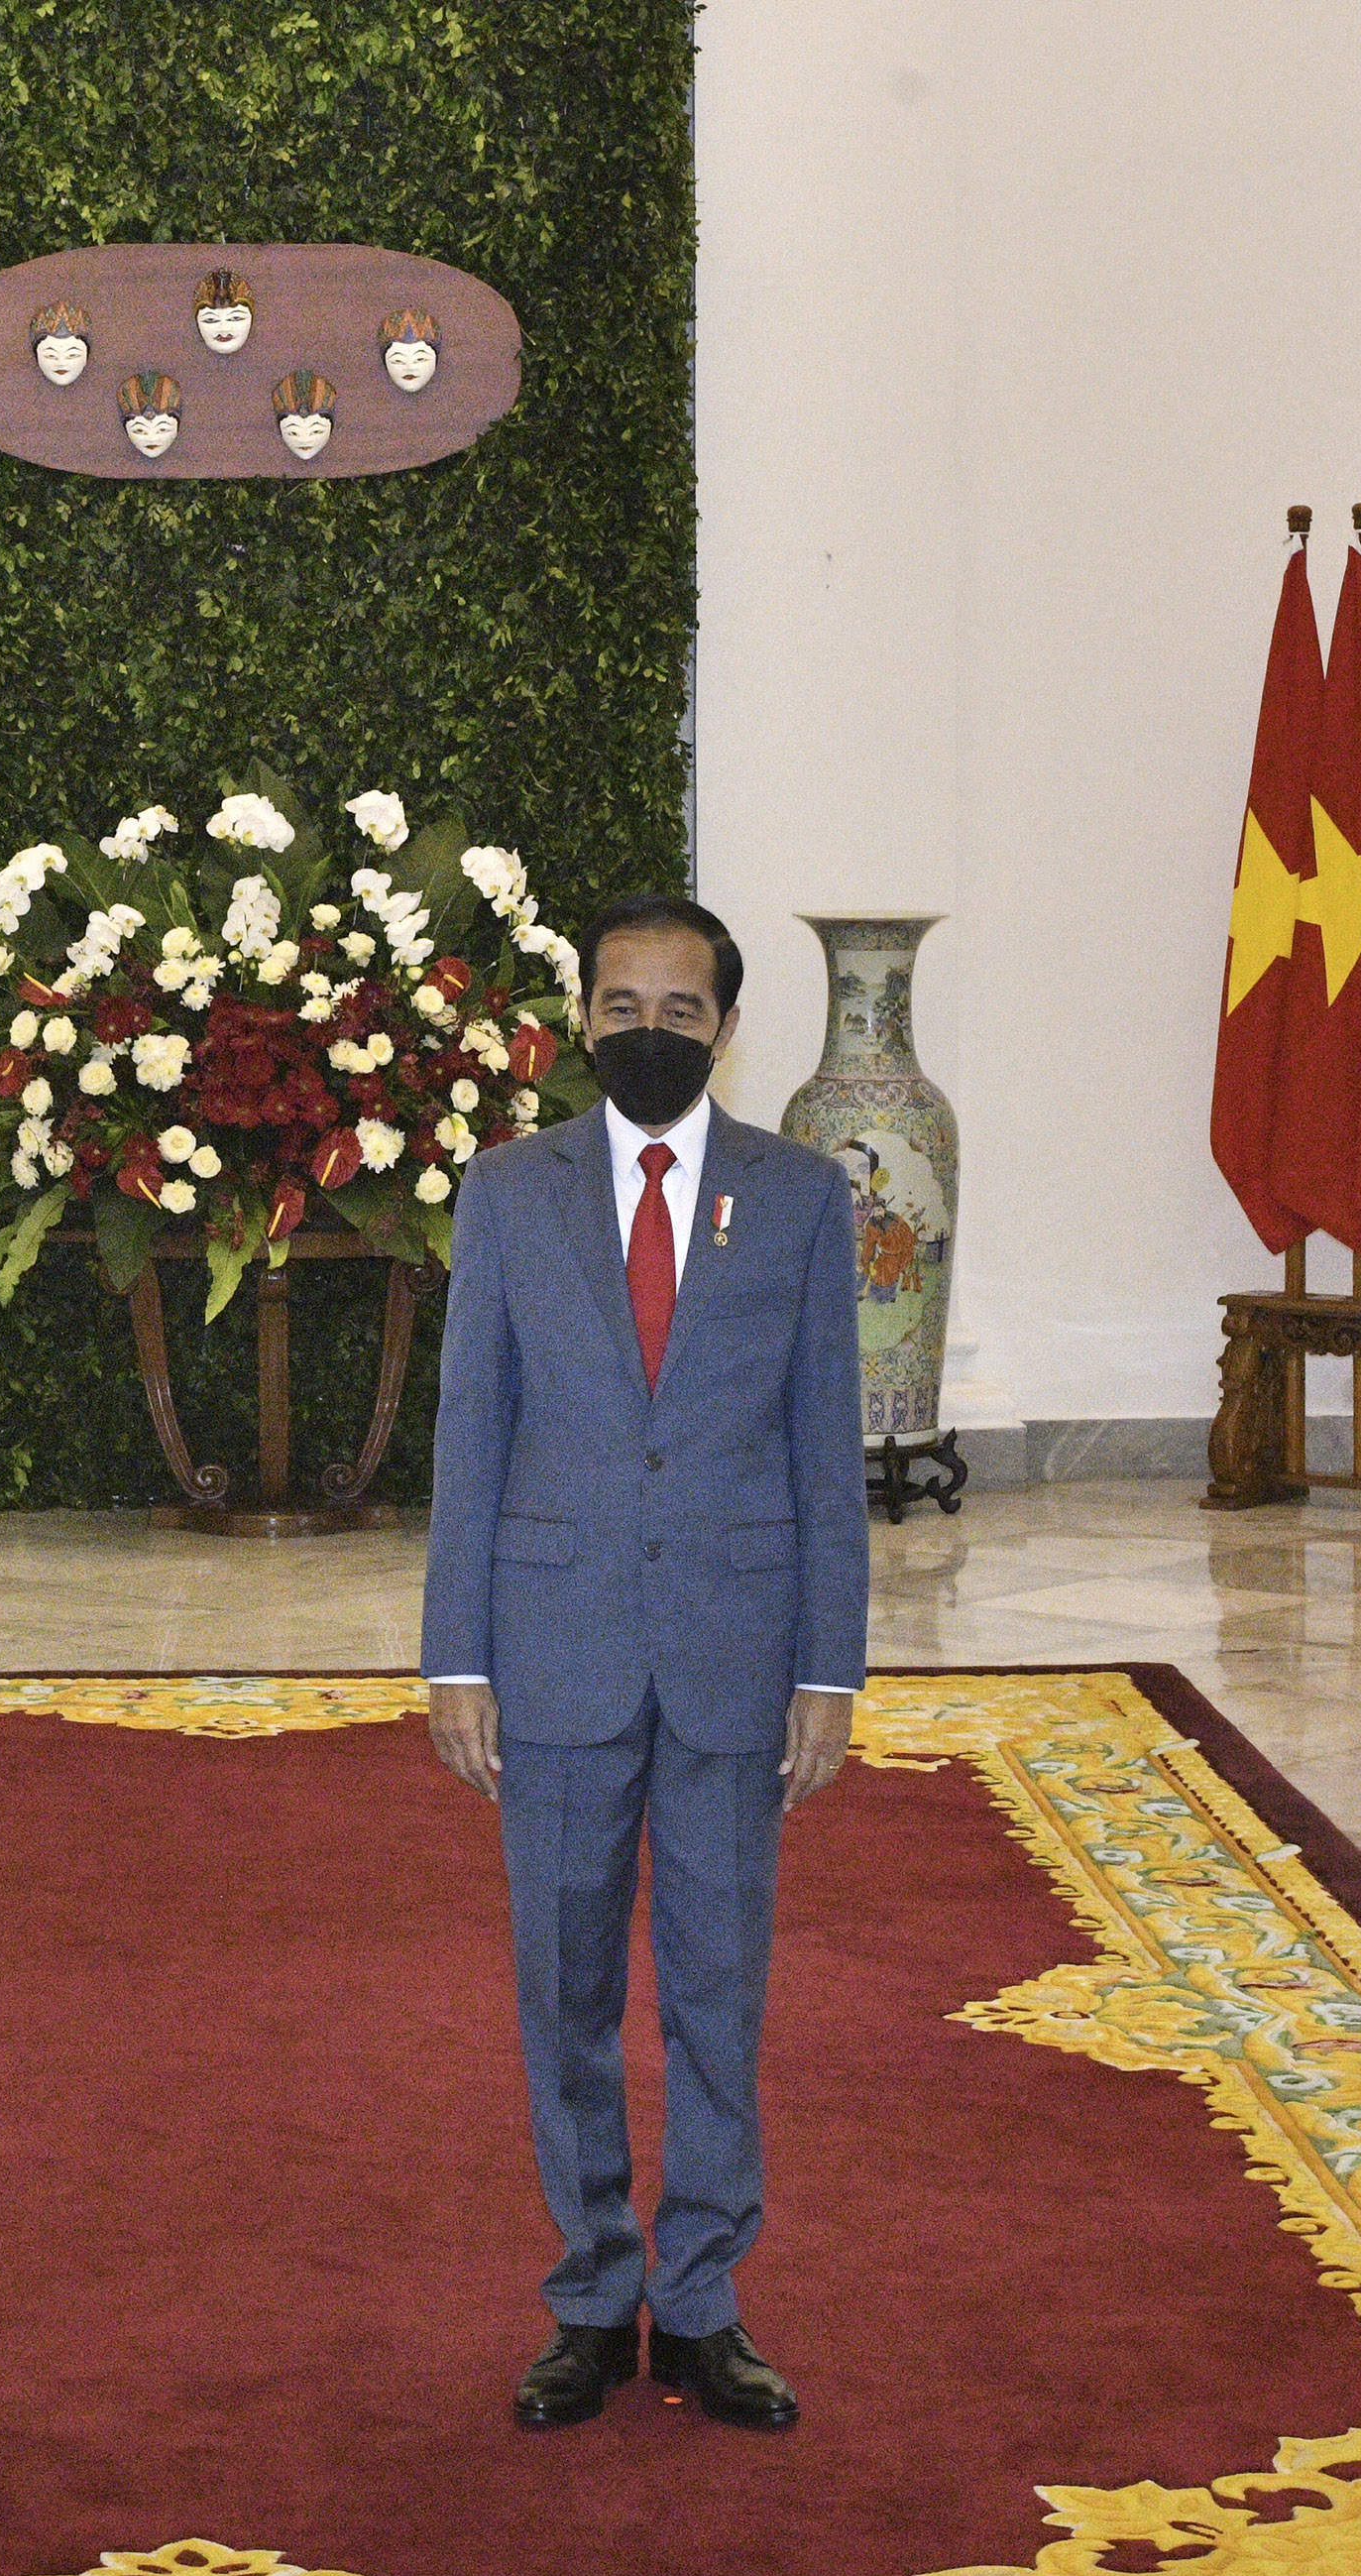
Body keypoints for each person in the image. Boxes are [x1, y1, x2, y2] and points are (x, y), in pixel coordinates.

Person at [421, 893, 870, 2433]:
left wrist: (834, 1669)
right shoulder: (507, 1194)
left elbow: (828, 1448)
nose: (652, 1034)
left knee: (716, 1991)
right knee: (562, 1991)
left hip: (739, 1660)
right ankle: (591, 2293)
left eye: (684, 1010)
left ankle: (703, 2303)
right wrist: (454, 1655)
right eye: (624, 1006)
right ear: (582, 1017)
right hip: (551, 1657)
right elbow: (470, 1431)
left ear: (728, 1027)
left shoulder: (803, 1199)